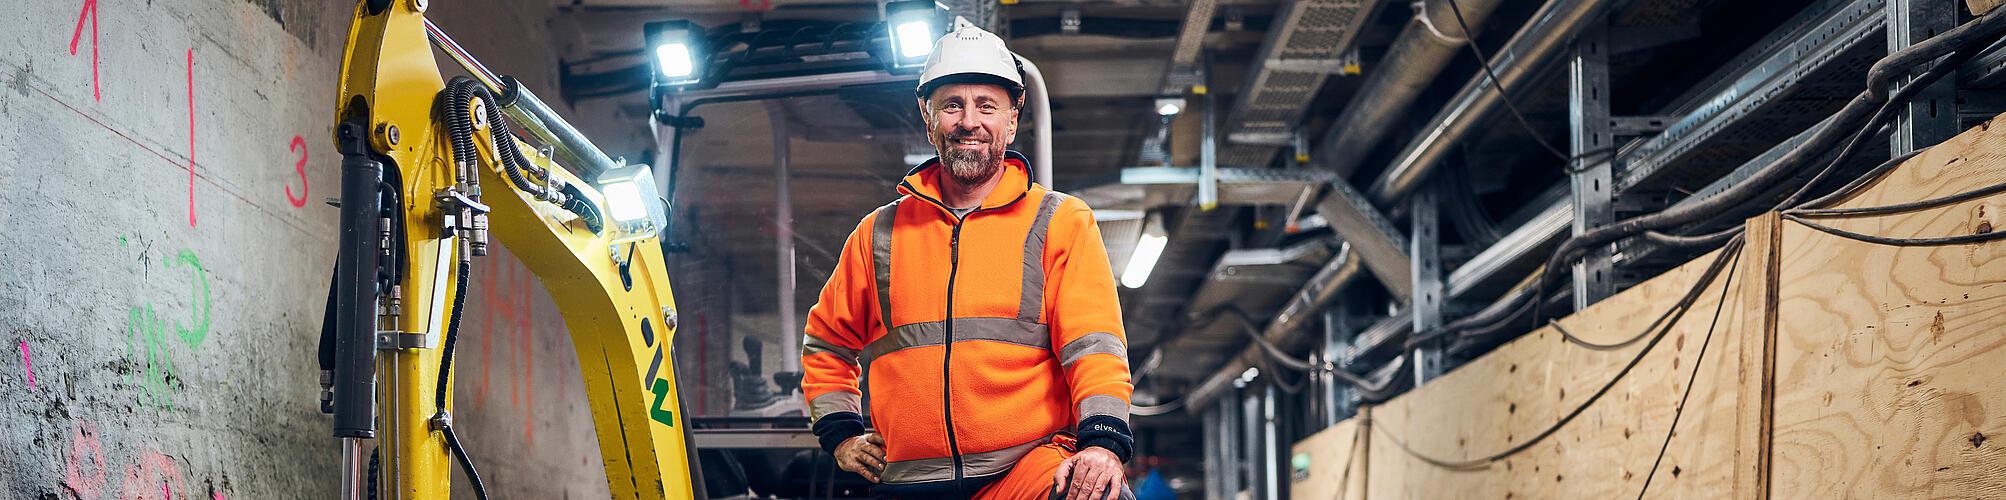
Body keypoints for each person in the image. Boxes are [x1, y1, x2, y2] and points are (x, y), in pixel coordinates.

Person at [797, 22, 1135, 500]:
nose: (968, 121)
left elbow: (1095, 347)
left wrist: (1102, 443)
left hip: (1021, 472)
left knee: (1096, 493)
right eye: (952, 105)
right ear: (927, 117)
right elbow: (827, 344)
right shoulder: (878, 234)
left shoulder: (1059, 221)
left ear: (1012, 121)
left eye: (986, 106)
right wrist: (841, 434)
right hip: (908, 482)